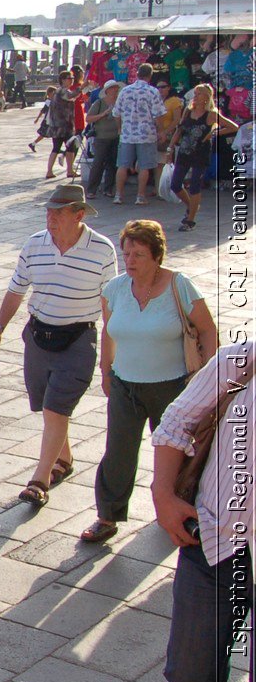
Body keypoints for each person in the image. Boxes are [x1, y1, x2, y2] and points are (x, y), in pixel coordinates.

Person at [146, 342, 254, 682]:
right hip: (216, 542)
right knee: (187, 678)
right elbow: (176, 423)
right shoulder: (243, 360)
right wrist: (164, 492)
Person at [81, 221, 219, 545]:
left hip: (173, 388)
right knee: (118, 452)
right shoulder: (114, 289)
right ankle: (107, 516)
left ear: (156, 255)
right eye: (126, 253)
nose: (129, 260)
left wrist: (208, 374)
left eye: (138, 254)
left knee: (177, 454)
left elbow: (208, 329)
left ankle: (179, 509)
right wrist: (105, 370)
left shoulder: (179, 286)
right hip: (125, 384)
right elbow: (108, 331)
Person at [0, 183, 118, 509]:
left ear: (80, 215)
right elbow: (16, 290)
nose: (51, 217)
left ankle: (39, 480)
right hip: (39, 336)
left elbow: (109, 306)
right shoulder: (34, 245)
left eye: (59, 212)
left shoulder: (102, 250)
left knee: (55, 409)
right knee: (47, 406)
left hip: (78, 339)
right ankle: (64, 458)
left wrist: (108, 361)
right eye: (49, 211)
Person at [168, 83, 237, 231]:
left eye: (199, 93)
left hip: (200, 153)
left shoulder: (211, 114)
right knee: (175, 183)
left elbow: (233, 127)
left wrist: (215, 133)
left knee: (195, 185)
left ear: (206, 97)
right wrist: (170, 148)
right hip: (184, 152)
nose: (195, 96)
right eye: (195, 93)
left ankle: (190, 220)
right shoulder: (188, 110)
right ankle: (191, 206)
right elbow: (179, 130)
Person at [114, 63, 169, 207]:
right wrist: (161, 131)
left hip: (127, 133)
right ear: (150, 75)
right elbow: (158, 114)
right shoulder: (152, 92)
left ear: (137, 74)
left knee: (122, 165)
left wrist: (120, 127)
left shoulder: (125, 90)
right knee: (144, 166)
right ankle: (140, 195)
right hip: (146, 134)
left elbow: (116, 113)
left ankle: (118, 195)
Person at [85, 81, 123, 199]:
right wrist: (103, 114)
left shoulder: (120, 103)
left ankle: (108, 188)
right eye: (113, 88)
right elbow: (89, 118)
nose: (115, 90)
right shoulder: (99, 103)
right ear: (107, 90)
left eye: (116, 88)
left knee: (112, 164)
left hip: (116, 137)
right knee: (98, 163)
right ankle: (91, 190)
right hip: (101, 137)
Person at [44, 72, 79, 180]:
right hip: (63, 125)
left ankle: (50, 171)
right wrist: (82, 86)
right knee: (70, 148)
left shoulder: (58, 91)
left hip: (57, 125)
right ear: (63, 80)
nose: (71, 80)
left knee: (56, 148)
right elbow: (71, 96)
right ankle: (69, 170)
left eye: (72, 78)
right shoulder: (62, 91)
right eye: (69, 78)